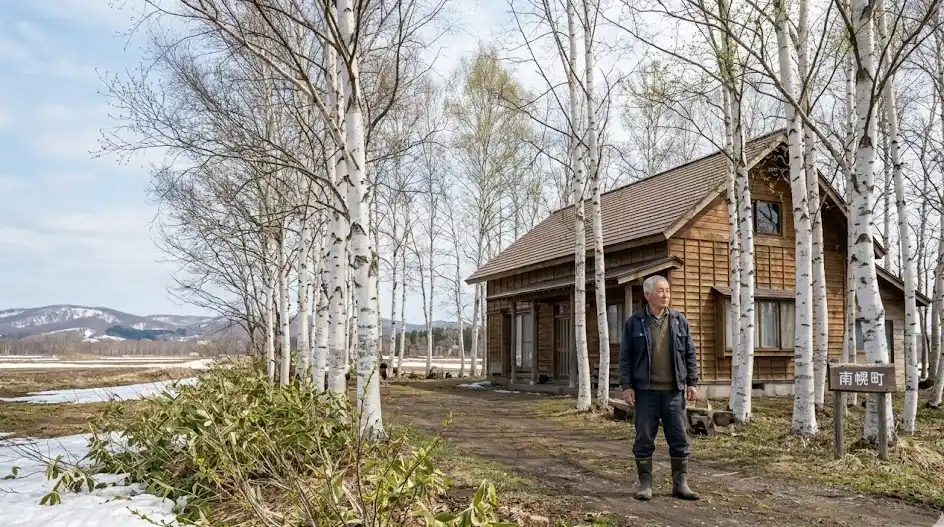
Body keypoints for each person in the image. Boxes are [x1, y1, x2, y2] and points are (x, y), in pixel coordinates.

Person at [618, 275, 699, 501]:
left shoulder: (678, 320)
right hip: (645, 392)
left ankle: (680, 484)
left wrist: (692, 382)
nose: (665, 295)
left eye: (668, 290)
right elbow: (625, 357)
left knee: (679, 437)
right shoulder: (634, 322)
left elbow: (690, 353)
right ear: (647, 295)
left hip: (674, 391)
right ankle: (645, 484)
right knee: (644, 437)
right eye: (661, 291)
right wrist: (626, 386)